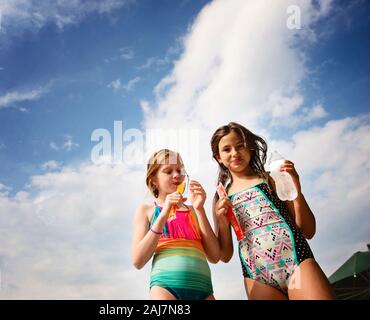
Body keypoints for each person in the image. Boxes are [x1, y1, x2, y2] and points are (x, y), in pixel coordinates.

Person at [210, 122, 334, 300]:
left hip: (297, 261)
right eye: (227, 149)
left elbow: (308, 230)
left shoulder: (271, 179)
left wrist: (297, 191)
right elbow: (225, 255)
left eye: (240, 146)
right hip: (257, 276)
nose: (235, 153)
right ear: (218, 157)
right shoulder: (222, 197)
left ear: (250, 148)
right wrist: (221, 219)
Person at [131, 149, 221, 300]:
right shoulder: (147, 210)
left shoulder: (194, 210)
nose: (176, 174)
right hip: (165, 289)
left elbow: (215, 256)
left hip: (204, 290)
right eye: (168, 171)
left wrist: (199, 209)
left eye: (179, 170)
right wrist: (164, 213)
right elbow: (137, 260)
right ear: (153, 179)